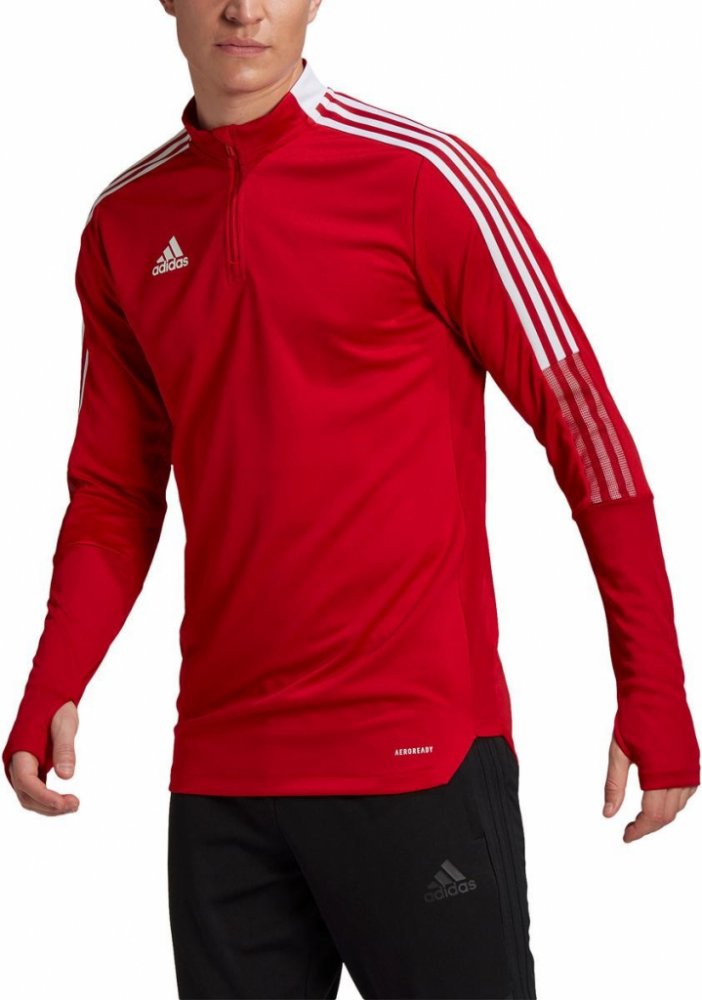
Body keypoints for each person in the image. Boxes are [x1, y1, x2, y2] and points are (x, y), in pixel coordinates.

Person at [3, 1, 699, 997]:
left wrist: (654, 685)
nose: (244, 8)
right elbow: (114, 492)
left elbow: (587, 435)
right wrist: (52, 683)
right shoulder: (126, 223)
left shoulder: (423, 177)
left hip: (415, 759)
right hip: (223, 781)